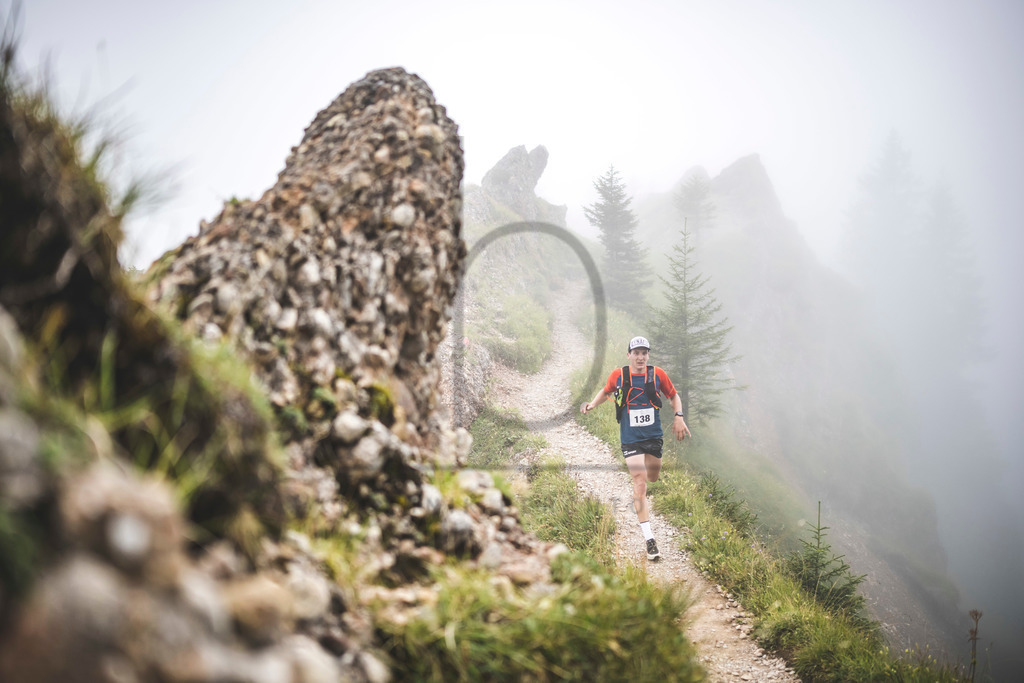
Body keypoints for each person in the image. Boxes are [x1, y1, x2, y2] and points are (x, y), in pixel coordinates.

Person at [580, 335, 690, 560]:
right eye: (636, 353)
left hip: (653, 437)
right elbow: (606, 391)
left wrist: (679, 416)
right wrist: (592, 404)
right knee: (640, 481)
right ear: (629, 355)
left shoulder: (657, 374)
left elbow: (673, 396)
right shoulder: (619, 375)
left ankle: (646, 496)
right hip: (630, 438)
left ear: (648, 356)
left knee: (652, 477)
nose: (640, 357)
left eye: (644, 353)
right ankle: (650, 540)